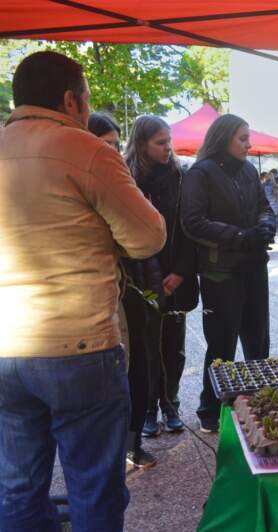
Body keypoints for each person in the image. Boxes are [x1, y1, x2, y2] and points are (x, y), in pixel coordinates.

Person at [0, 51, 165, 531]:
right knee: (93, 486)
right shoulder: (87, 149)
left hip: (6, 345)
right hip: (80, 344)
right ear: (71, 99)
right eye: (87, 99)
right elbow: (147, 237)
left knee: (16, 486)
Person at [182, 114, 275, 433]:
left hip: (254, 265)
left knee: (258, 338)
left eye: (248, 138)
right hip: (220, 272)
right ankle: (210, 409)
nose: (249, 144)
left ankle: (259, 399)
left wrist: (266, 225)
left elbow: (265, 205)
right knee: (222, 343)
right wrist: (237, 236)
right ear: (223, 138)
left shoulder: (250, 170)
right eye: (243, 138)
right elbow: (192, 222)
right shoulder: (200, 173)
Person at [123, 116, 198, 445]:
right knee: (145, 348)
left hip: (175, 273)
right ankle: (150, 407)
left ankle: (171, 404)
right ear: (141, 144)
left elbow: (187, 229)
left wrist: (181, 272)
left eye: (169, 140)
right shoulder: (124, 176)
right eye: (160, 142)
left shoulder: (181, 178)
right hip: (140, 277)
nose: (168, 147)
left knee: (174, 347)